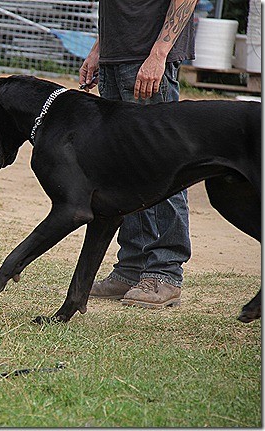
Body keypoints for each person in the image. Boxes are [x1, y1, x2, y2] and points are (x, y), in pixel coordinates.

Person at [79, 0, 196, 308]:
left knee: (160, 167)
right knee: (123, 171)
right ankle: (131, 268)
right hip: (115, 59)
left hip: (147, 59)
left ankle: (165, 272)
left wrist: (159, 53)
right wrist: (98, 49)